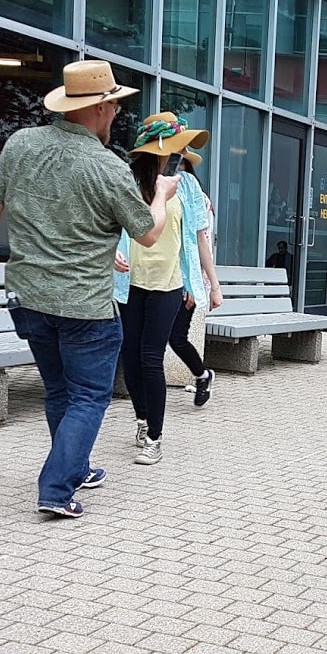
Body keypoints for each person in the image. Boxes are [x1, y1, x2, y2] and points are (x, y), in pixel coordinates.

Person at [0, 59, 178, 518]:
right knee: (88, 396)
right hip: (84, 303)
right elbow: (146, 233)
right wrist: (162, 195)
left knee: (59, 389)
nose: (117, 115)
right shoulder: (108, 166)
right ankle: (57, 489)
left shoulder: (21, 143)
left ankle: (75, 466)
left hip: (26, 295)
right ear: (102, 108)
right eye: (115, 107)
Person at [113, 112, 222, 467]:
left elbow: (198, 239)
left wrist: (211, 284)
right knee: (129, 355)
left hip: (169, 285)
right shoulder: (127, 183)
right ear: (157, 149)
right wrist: (110, 250)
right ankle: (142, 421)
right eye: (174, 145)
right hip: (129, 284)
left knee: (150, 357)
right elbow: (108, 227)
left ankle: (155, 439)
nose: (179, 152)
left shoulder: (187, 186)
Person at [166, 156, 220, 408]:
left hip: (187, 279)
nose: (175, 170)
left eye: (180, 164)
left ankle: (202, 375)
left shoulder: (195, 196)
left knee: (176, 337)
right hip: (160, 278)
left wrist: (203, 285)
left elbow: (201, 244)